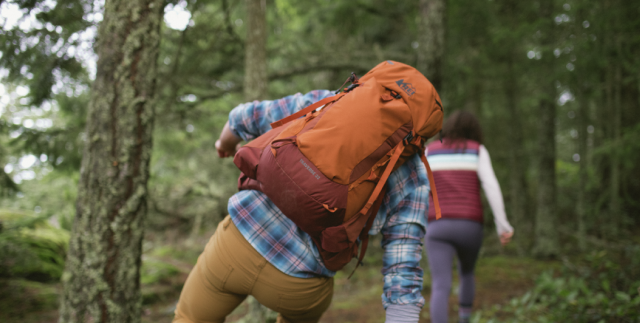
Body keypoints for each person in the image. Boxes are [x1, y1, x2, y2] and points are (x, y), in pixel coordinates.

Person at [173, 89, 432, 323]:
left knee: (188, 317)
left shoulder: (328, 101)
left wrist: (225, 143)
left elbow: (245, 116)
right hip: (300, 284)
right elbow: (403, 261)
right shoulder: (413, 175)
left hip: (235, 245)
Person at [423, 110, 514, 323]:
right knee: (466, 274)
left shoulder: (429, 151)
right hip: (469, 226)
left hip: (437, 226)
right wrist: (503, 226)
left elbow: (418, 187)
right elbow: (491, 186)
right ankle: (465, 320)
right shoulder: (477, 151)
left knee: (440, 285)